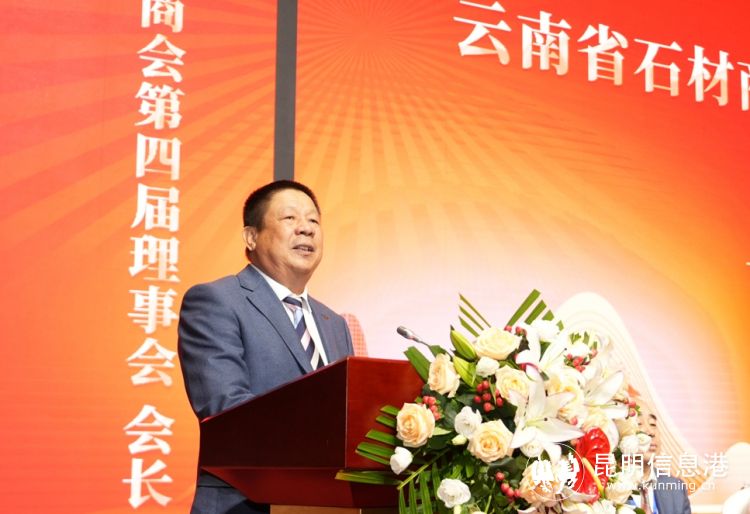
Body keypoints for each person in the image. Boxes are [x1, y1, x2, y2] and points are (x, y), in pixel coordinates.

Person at [178, 180, 355, 514]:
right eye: (290, 218)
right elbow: (226, 410)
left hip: (327, 505)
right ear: (251, 236)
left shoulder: (334, 324)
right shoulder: (217, 301)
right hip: (244, 505)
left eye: (313, 220)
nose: (306, 229)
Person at [635, 403, 692, 514]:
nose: (651, 432)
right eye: (638, 423)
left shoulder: (676, 488)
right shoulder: (604, 487)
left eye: (652, 424)